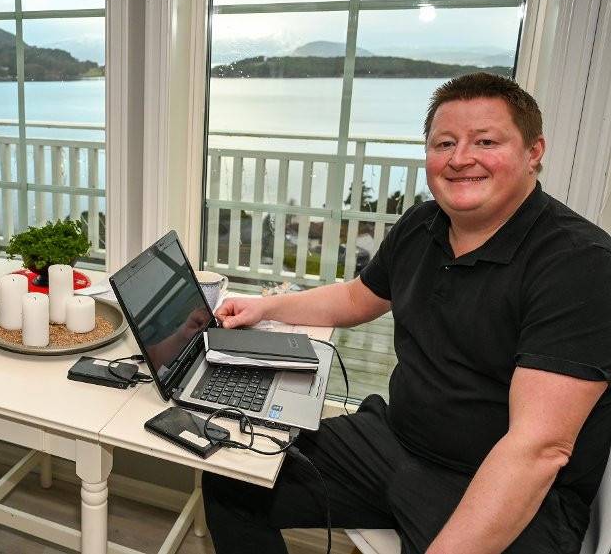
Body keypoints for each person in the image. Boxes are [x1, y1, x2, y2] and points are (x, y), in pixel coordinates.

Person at [202, 72, 611, 554]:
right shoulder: (423, 223)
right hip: (394, 442)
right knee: (233, 479)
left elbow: (538, 449)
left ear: (533, 151)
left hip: (502, 484)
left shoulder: (580, 264)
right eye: (444, 143)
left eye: (485, 141)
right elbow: (357, 298)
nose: (460, 158)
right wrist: (265, 306)